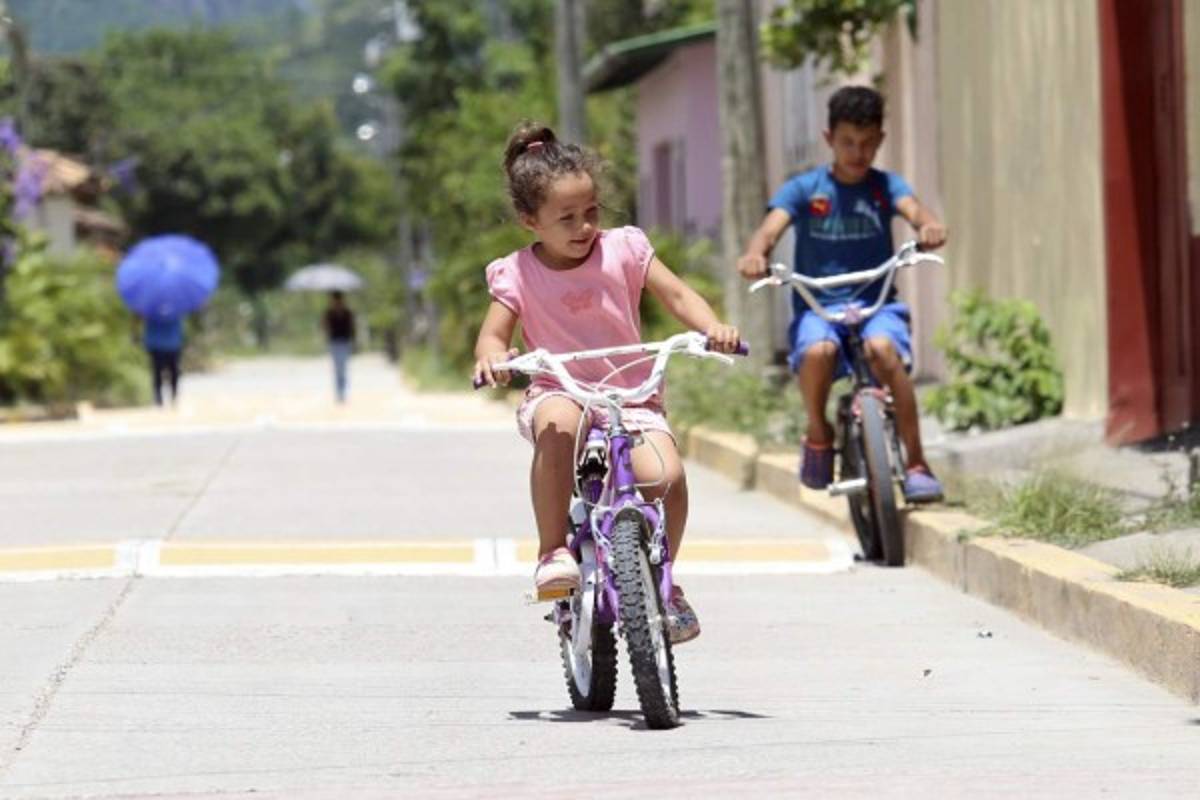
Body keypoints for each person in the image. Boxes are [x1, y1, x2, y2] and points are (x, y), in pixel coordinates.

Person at [473, 122, 740, 644]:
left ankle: (662, 584)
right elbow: (492, 335)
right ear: (530, 221)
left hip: (629, 395)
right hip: (559, 387)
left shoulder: (625, 249)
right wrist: (493, 359)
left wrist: (712, 329)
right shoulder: (517, 273)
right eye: (567, 218)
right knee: (559, 426)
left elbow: (678, 296)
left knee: (667, 479)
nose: (584, 226)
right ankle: (553, 551)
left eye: (591, 211)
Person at [737, 85, 947, 503]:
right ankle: (818, 431)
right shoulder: (805, 189)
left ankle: (917, 462)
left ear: (880, 140)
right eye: (848, 142)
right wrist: (756, 254)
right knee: (817, 352)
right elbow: (770, 230)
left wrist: (928, 226)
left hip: (877, 303)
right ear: (829, 138)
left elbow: (915, 210)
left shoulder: (886, 187)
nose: (858, 152)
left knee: (884, 350)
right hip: (820, 306)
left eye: (867, 143)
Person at [143, 315, 183, 407]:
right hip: (166, 345)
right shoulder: (175, 311)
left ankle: (169, 395)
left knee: (168, 372)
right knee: (163, 372)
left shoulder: (151, 312)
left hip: (167, 345)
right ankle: (162, 396)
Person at [323, 291, 356, 403]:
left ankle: (342, 390)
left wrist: (354, 342)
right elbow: (324, 327)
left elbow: (352, 327)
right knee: (337, 368)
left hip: (345, 342)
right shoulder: (329, 313)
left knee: (343, 368)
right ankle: (339, 392)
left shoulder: (348, 312)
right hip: (334, 342)